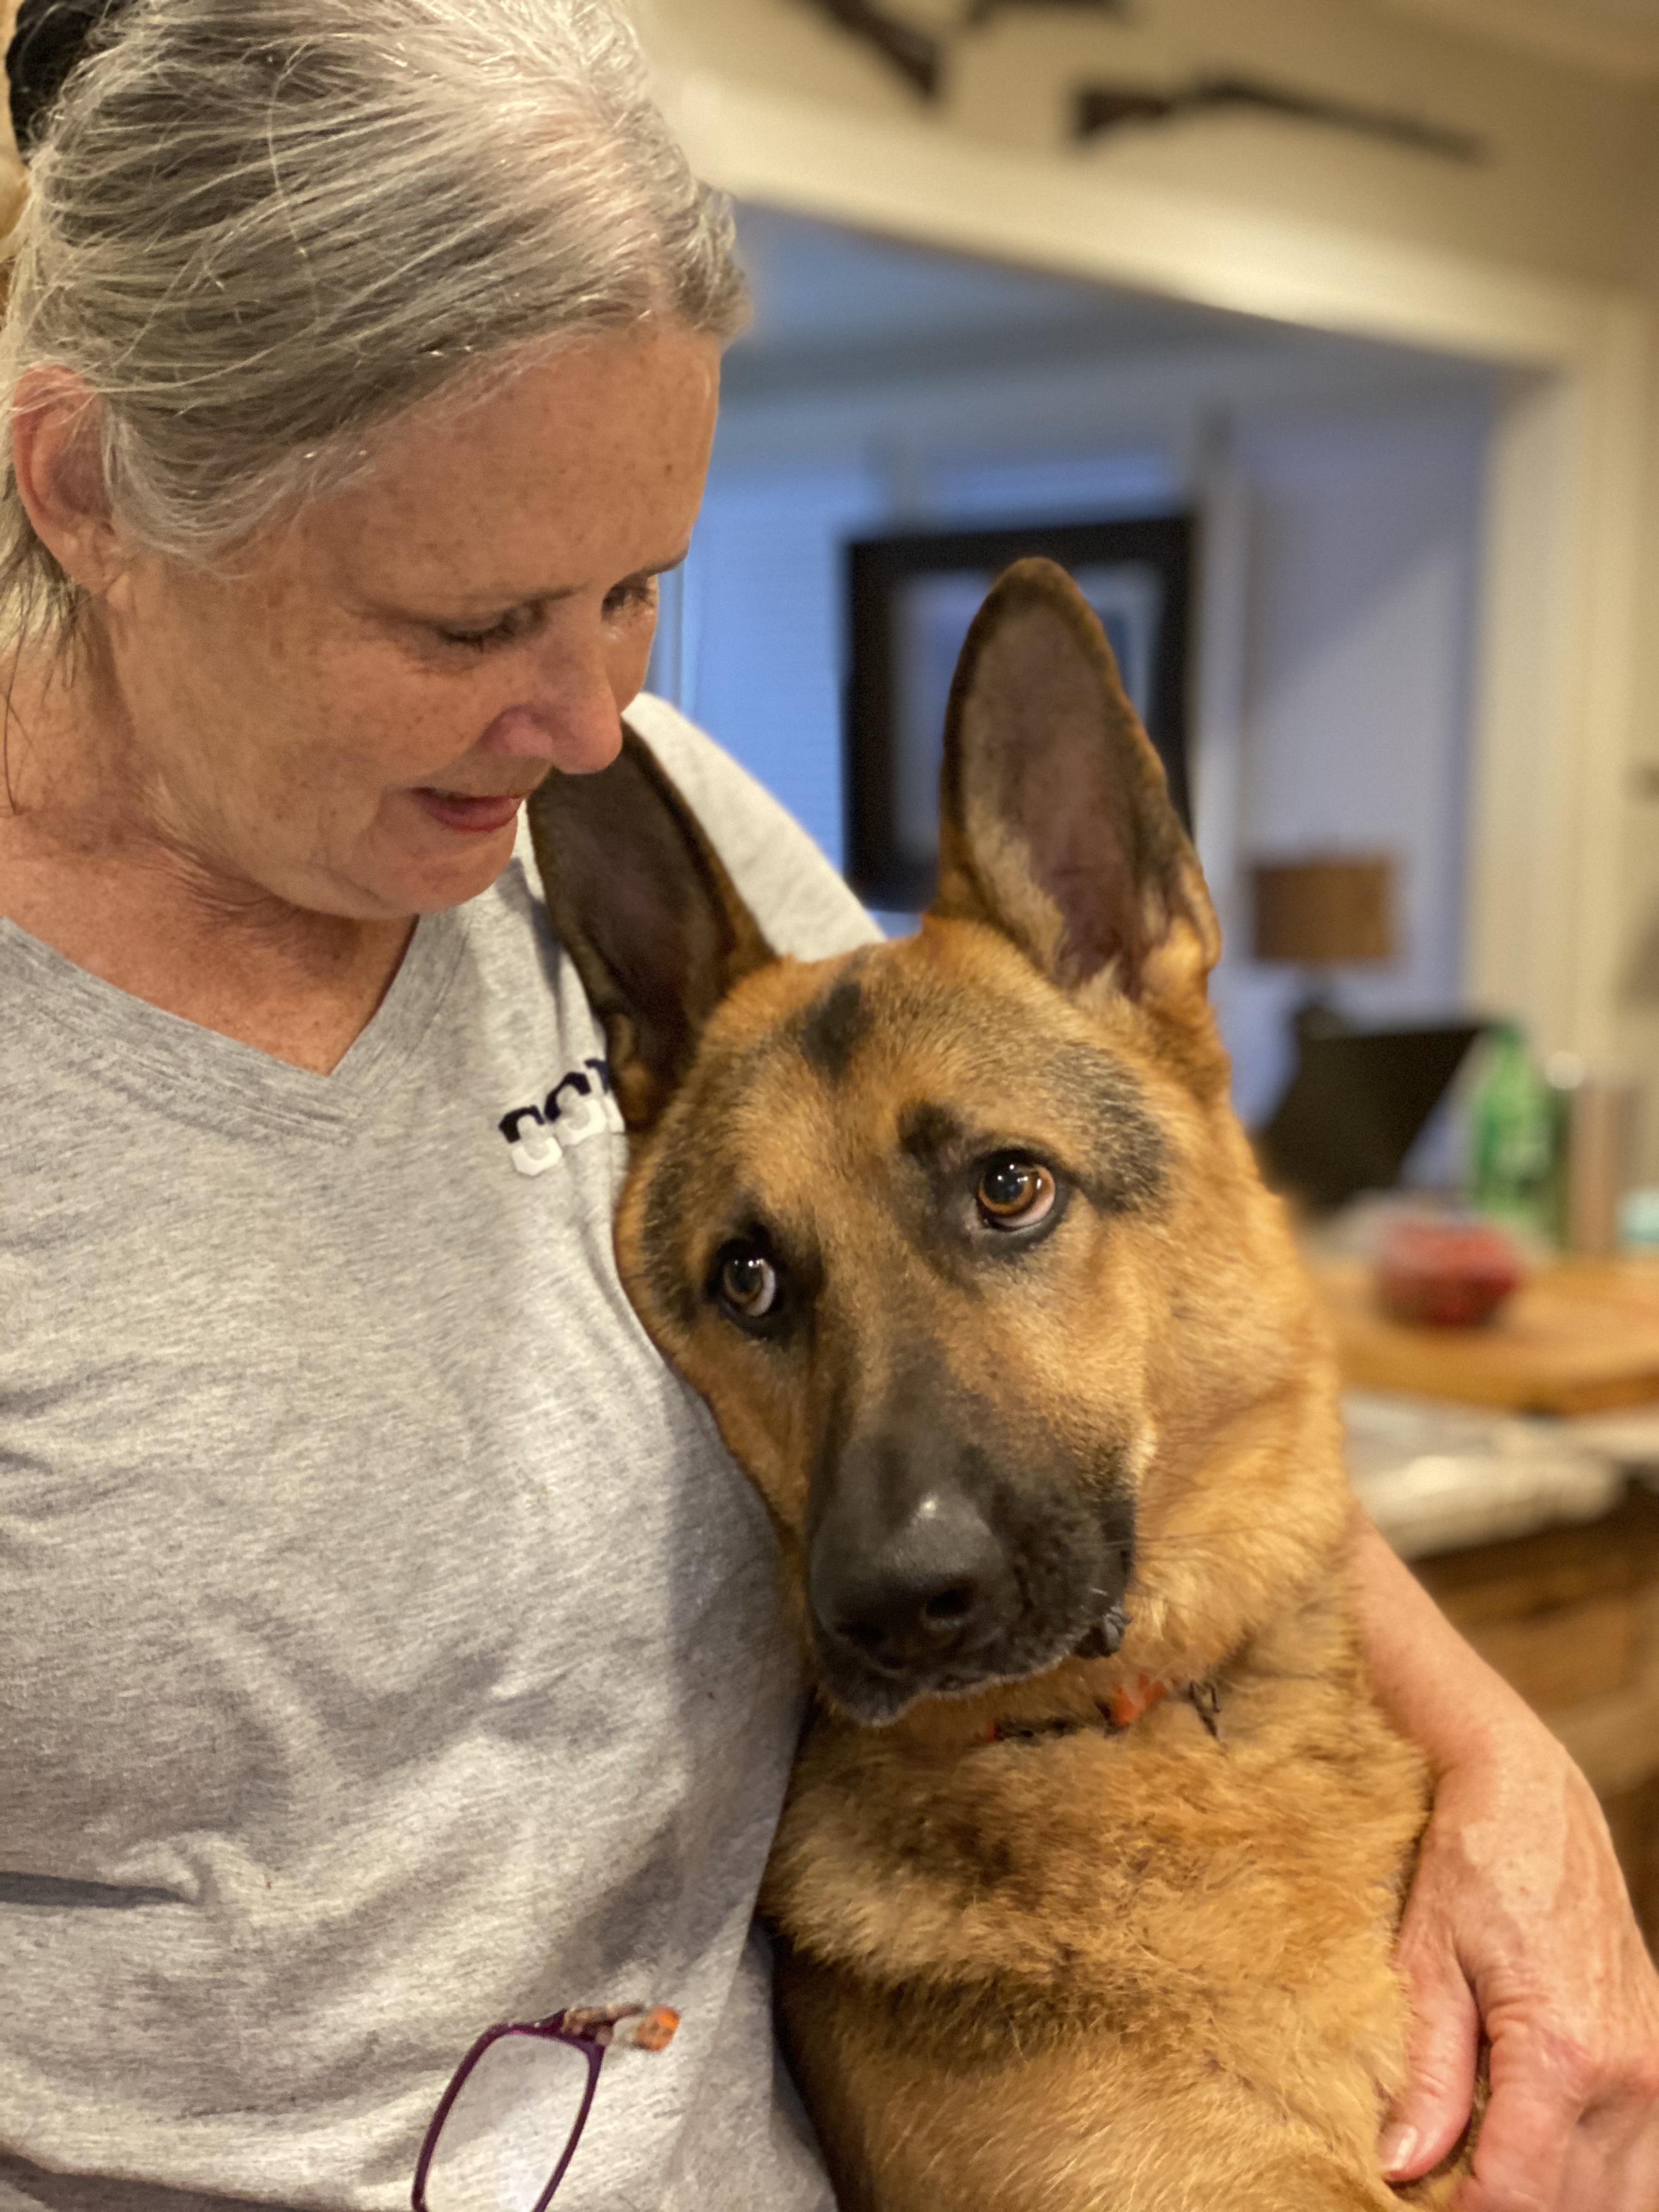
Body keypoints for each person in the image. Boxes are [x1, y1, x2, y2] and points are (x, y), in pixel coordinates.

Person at [0, 2, 1652, 2208]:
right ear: (91, 492)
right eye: (471, 613)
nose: (589, 717)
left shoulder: (616, 815)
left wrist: (1506, 1770)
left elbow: (1162, 1293)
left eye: (635, 587)